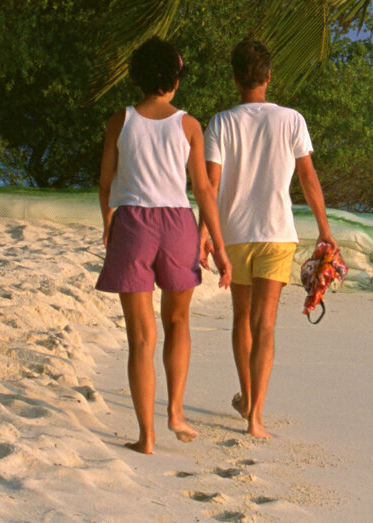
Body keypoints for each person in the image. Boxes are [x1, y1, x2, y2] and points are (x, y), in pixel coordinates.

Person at [98, 37, 231, 455]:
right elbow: (205, 192)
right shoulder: (189, 126)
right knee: (178, 323)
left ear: (139, 76)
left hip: (134, 222)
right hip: (177, 223)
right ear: (174, 80)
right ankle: (175, 411)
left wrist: (108, 222)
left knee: (140, 337)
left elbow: (106, 182)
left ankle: (146, 436)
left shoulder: (120, 121)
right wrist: (221, 249)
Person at [203, 38, 337, 439]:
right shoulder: (291, 120)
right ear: (268, 76)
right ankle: (256, 418)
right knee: (265, 325)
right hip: (277, 234)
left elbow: (210, 185)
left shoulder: (221, 122)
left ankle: (247, 398)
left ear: (235, 79)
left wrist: (205, 234)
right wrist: (325, 230)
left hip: (235, 234)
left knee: (241, 319)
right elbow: (308, 178)